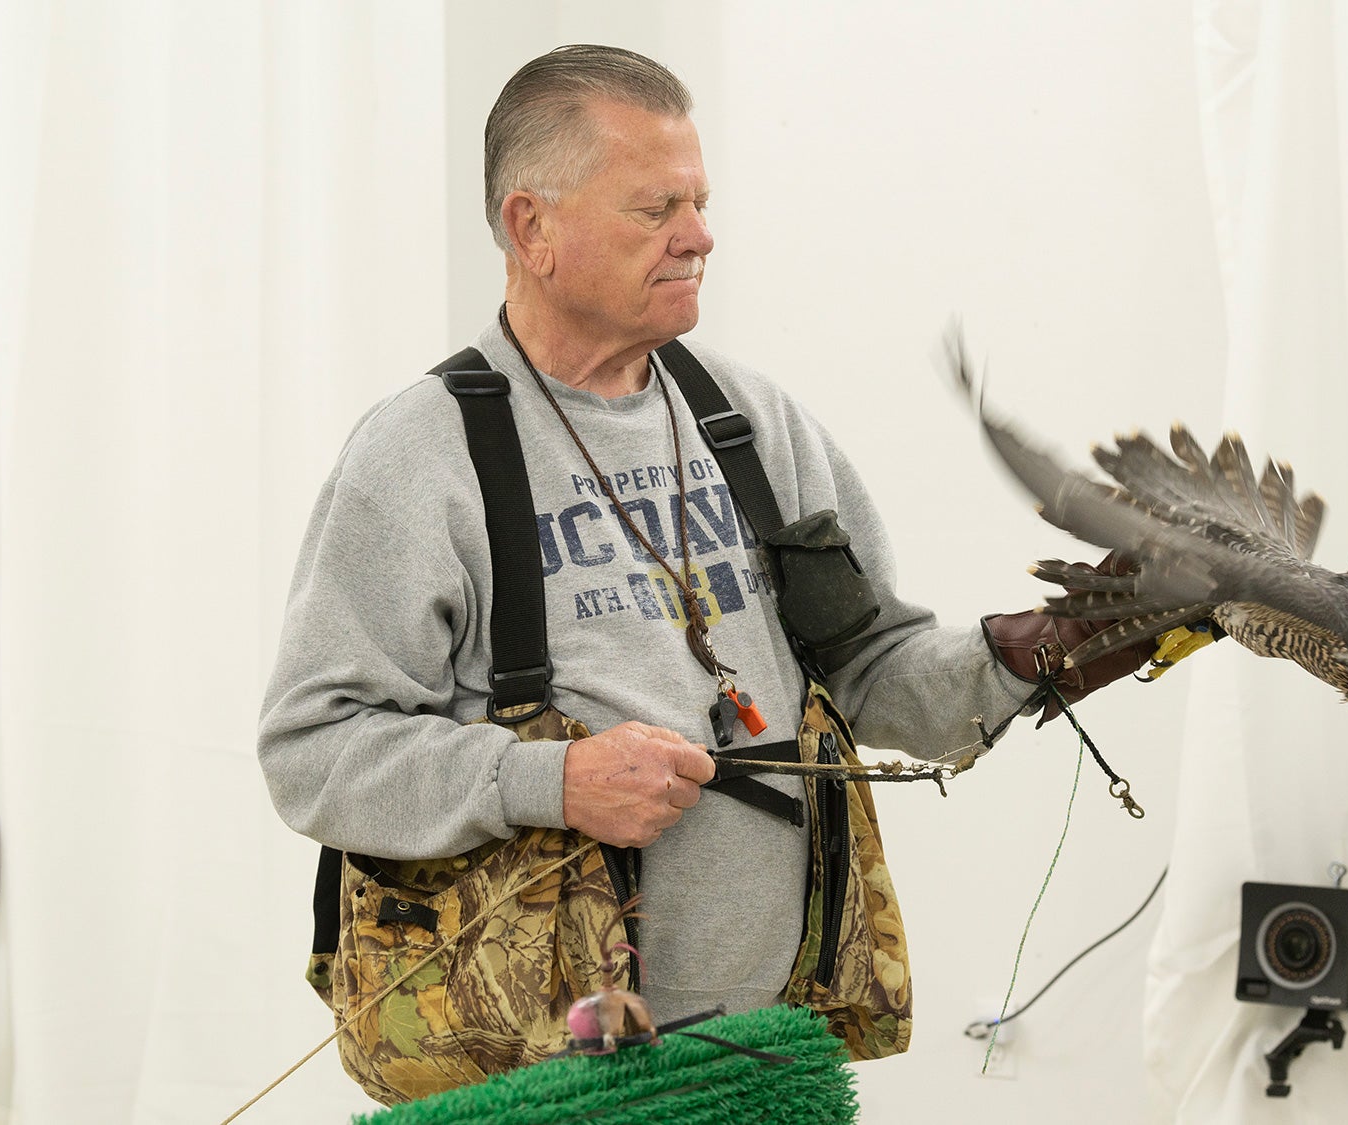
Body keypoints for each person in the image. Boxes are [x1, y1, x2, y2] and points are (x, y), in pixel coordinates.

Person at [257, 44, 1141, 1099]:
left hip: (763, 1057)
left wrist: (1028, 652)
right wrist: (553, 781)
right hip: (542, 1086)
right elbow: (313, 750)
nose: (699, 236)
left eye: (701, 201)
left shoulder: (750, 422)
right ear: (529, 227)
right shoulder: (419, 455)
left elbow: (870, 669)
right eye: (655, 208)